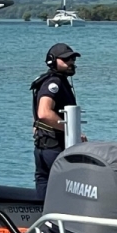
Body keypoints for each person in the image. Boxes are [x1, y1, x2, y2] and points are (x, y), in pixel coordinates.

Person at [31, 42, 81, 200]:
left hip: (43, 144)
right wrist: (71, 131)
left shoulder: (52, 81)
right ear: (52, 61)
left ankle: (45, 221)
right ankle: (57, 223)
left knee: (44, 186)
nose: (71, 63)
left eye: (72, 59)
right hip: (54, 147)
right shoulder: (54, 83)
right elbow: (44, 113)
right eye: (65, 60)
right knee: (63, 190)